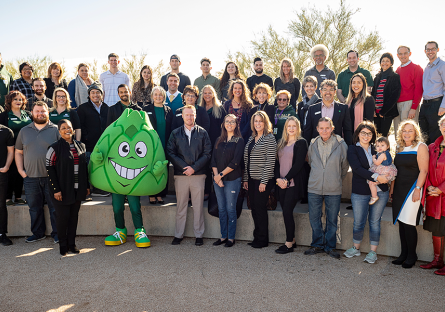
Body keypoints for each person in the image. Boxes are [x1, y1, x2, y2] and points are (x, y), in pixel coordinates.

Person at [103, 84, 151, 248]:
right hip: (117, 158)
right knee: (116, 206)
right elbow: (108, 133)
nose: (124, 94)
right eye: (121, 92)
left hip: (133, 158)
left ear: (130, 92)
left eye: (126, 91)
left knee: (134, 204)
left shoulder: (139, 110)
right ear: (118, 94)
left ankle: (140, 230)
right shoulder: (112, 109)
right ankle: (120, 231)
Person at [344, 121, 390, 263]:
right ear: (358, 134)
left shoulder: (378, 149)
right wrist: (377, 177)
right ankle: (356, 248)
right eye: (363, 132)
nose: (366, 135)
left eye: (369, 133)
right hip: (360, 191)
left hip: (380, 190)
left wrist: (387, 176)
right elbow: (357, 169)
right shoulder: (352, 149)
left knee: (375, 222)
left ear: (373, 135)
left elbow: (388, 163)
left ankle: (372, 252)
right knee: (358, 222)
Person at [15, 101, 60, 243]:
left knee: (55, 208)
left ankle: (57, 234)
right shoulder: (24, 131)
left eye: (43, 111)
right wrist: (21, 171)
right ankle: (38, 233)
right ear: (32, 113)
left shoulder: (56, 130)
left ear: (48, 112)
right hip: (30, 177)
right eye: (37, 111)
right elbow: (18, 152)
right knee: (34, 208)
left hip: (52, 177)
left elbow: (63, 153)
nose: (40, 114)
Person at [166, 105, 212, 246]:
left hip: (198, 175)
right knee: (181, 206)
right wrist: (184, 168)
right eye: (187, 115)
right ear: (183, 116)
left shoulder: (203, 133)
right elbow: (170, 152)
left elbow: (207, 153)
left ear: (195, 115)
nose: (190, 117)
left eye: (192, 115)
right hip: (181, 175)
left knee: (198, 207)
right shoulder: (175, 133)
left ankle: (199, 235)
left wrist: (194, 168)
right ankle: (178, 235)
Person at [305, 117, 349, 259]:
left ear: (332, 128)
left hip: (333, 187)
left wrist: (335, 178)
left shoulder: (341, 144)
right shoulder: (312, 144)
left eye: (327, 128)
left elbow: (344, 166)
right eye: (321, 128)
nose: (324, 130)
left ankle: (330, 246)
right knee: (314, 217)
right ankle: (317, 244)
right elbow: (311, 162)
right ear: (317, 129)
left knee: (332, 219)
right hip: (314, 187)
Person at [46, 119, 89, 255]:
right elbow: (49, 169)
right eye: (63, 128)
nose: (67, 130)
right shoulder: (54, 148)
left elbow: (84, 169)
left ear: (73, 129)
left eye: (69, 127)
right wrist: (55, 189)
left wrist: (86, 186)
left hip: (77, 190)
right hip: (62, 190)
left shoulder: (81, 146)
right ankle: (63, 245)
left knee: (73, 217)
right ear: (59, 131)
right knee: (62, 217)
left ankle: (72, 244)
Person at [390, 120, 429, 268]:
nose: (406, 133)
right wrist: (392, 189)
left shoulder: (421, 147)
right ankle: (403, 254)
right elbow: (395, 171)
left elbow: (423, 171)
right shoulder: (399, 148)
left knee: (409, 223)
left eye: (410, 130)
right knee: (401, 223)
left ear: (415, 133)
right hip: (399, 189)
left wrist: (418, 189)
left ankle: (412, 255)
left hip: (413, 190)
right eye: (404, 130)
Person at [274, 117, 308, 254]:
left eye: (294, 126)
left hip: (293, 183)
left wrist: (286, 179)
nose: (291, 128)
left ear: (298, 128)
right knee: (285, 211)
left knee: (287, 211)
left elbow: (299, 164)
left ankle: (288, 243)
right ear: (286, 128)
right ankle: (292, 240)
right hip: (280, 183)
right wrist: (278, 179)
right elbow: (276, 163)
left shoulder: (301, 143)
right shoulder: (281, 142)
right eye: (289, 126)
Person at [243, 111, 277, 248]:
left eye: (260, 121)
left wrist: (263, 181)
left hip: (263, 179)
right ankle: (256, 237)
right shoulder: (251, 138)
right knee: (254, 209)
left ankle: (263, 240)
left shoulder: (270, 138)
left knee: (260, 209)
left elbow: (270, 161)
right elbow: (247, 160)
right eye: (256, 121)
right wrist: (245, 178)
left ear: (265, 123)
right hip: (251, 179)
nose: (258, 123)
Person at [211, 114, 244, 248]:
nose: (229, 124)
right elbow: (213, 160)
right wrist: (216, 177)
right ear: (223, 124)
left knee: (231, 209)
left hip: (232, 179)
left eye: (232, 122)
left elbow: (235, 162)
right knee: (222, 209)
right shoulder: (219, 139)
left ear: (236, 124)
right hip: (217, 180)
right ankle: (223, 236)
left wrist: (220, 175)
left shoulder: (239, 140)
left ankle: (231, 238)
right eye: (227, 122)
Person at [77, 82, 109, 197]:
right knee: (90, 166)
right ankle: (91, 188)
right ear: (89, 95)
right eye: (93, 92)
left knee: (101, 166)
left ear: (102, 94)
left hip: (103, 144)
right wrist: (86, 137)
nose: (95, 95)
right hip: (89, 143)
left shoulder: (106, 108)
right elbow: (80, 125)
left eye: (98, 92)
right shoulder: (83, 108)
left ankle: (100, 187)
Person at [0, 91, 32, 206]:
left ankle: (18, 196)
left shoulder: (28, 114)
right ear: (10, 101)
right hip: (10, 149)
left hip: (26, 148)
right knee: (10, 172)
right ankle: (8, 197)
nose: (18, 101)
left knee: (21, 172)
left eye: (20, 99)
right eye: (15, 99)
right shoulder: (4, 115)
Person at [422, 115, 445, 275]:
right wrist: (429, 185)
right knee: (437, 229)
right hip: (433, 196)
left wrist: (442, 188)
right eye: (443, 124)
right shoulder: (432, 147)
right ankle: (437, 260)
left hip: (443, 194)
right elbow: (426, 168)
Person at [142, 86, 173, 204]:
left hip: (165, 144)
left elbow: (171, 127)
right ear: (152, 96)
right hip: (151, 145)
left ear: (164, 97)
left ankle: (161, 193)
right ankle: (152, 193)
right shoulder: (146, 109)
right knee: (151, 168)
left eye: (160, 95)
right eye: (156, 94)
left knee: (163, 168)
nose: (158, 96)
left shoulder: (168, 110)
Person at [303, 80, 353, 145]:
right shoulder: (312, 109)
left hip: (336, 147)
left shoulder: (343, 108)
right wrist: (307, 149)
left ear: (335, 92)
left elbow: (347, 131)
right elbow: (308, 131)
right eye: (325, 89)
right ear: (321, 91)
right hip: (316, 147)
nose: (328, 92)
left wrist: (348, 149)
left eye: (331, 90)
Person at [200, 85, 227, 200]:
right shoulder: (199, 108)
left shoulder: (219, 109)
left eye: (209, 93)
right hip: (202, 143)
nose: (207, 95)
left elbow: (225, 126)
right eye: (205, 93)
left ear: (213, 94)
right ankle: (206, 191)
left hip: (217, 141)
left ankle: (218, 191)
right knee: (205, 167)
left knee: (218, 166)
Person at [393, 46, 423, 133]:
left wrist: (413, 108)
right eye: (400, 54)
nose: (403, 56)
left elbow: (419, 89)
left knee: (409, 132)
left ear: (410, 54)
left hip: (409, 104)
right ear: (397, 55)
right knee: (398, 132)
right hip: (397, 105)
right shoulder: (398, 70)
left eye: (405, 53)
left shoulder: (416, 68)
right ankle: (399, 147)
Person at [371, 52, 401, 137]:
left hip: (386, 112)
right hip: (376, 113)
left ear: (391, 63)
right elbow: (373, 94)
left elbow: (394, 96)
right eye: (383, 61)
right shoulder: (377, 77)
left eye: (387, 61)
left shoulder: (394, 76)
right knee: (376, 136)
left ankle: (385, 150)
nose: (384, 63)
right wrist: (373, 109)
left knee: (383, 136)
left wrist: (383, 111)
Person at [420, 41, 445, 145]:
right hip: (425, 104)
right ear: (425, 51)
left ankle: (436, 160)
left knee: (435, 135)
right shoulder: (426, 67)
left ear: (437, 50)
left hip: (437, 104)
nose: (430, 51)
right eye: (428, 49)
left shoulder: (442, 65)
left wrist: (443, 106)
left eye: (433, 49)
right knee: (423, 133)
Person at [368, 136, 397, 205]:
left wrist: (373, 158)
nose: (379, 147)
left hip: (382, 172)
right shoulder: (387, 153)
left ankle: (374, 196)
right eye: (377, 146)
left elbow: (377, 162)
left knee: (371, 183)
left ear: (387, 146)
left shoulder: (383, 154)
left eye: (382, 145)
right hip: (386, 172)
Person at [0, 121, 14, 246]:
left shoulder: (6, 131)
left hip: (1, 173)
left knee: (1, 205)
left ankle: (2, 234)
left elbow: (11, 151)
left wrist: (6, 166)